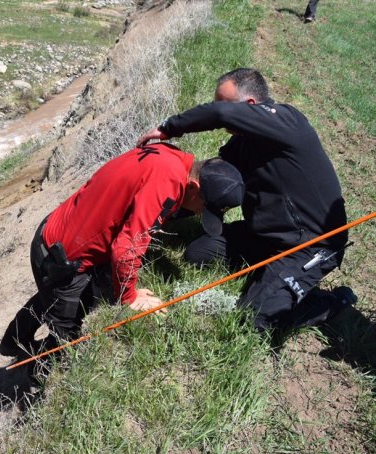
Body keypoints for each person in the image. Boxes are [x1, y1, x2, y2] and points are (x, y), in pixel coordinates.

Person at [136, 67, 355, 335]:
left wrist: (167, 129)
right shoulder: (242, 144)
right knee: (198, 254)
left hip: (310, 245)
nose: (218, 110)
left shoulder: (289, 123)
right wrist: (155, 217)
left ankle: (328, 303)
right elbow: (211, 189)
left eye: (223, 103)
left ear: (250, 106)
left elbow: (219, 114)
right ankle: (271, 277)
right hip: (264, 236)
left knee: (254, 322)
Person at [0, 142, 244, 358]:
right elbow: (126, 249)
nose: (200, 213)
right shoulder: (167, 184)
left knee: (51, 296)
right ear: (193, 186)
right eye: (205, 206)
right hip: (64, 258)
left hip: (58, 231)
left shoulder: (173, 158)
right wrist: (129, 297)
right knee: (68, 337)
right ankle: (32, 369)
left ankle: (14, 341)